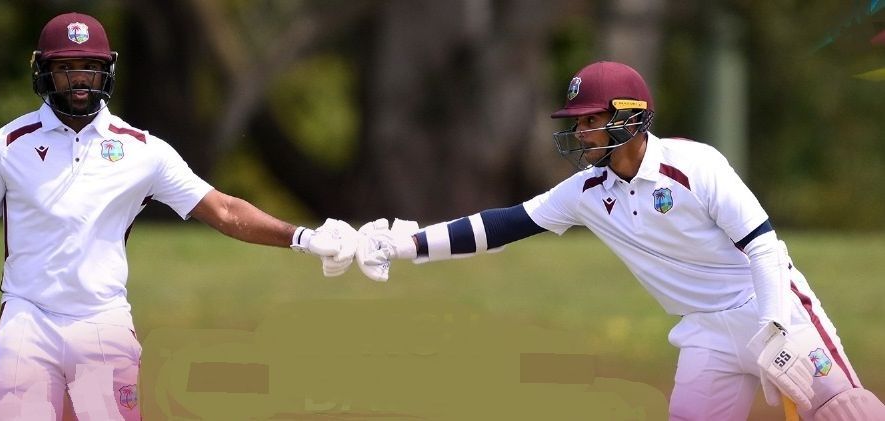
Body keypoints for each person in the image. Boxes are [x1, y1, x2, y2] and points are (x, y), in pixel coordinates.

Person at [0, 12, 360, 420]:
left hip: (103, 321)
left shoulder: (142, 151)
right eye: (66, 69)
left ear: (107, 70)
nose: (80, 80)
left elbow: (224, 210)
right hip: (27, 319)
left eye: (89, 67)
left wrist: (303, 237)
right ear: (43, 72)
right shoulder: (6, 147)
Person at [355, 61, 885, 420]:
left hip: (771, 310)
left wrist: (773, 328)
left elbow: (765, 246)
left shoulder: (695, 166)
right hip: (704, 332)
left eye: (590, 120)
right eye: (577, 121)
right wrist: (405, 245)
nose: (580, 132)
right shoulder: (586, 190)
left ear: (629, 118)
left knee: (847, 413)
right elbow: (503, 225)